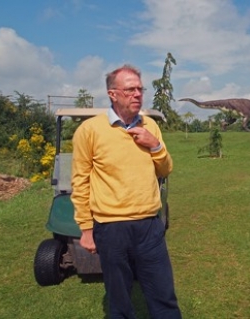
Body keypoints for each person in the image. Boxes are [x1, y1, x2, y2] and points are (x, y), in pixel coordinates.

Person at [71, 64, 182, 319]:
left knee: (164, 296)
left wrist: (155, 145)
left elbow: (165, 169)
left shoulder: (151, 126)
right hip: (111, 228)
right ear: (113, 94)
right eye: (130, 89)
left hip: (150, 226)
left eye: (140, 89)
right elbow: (80, 182)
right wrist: (86, 229)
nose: (137, 94)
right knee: (119, 301)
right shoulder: (90, 131)